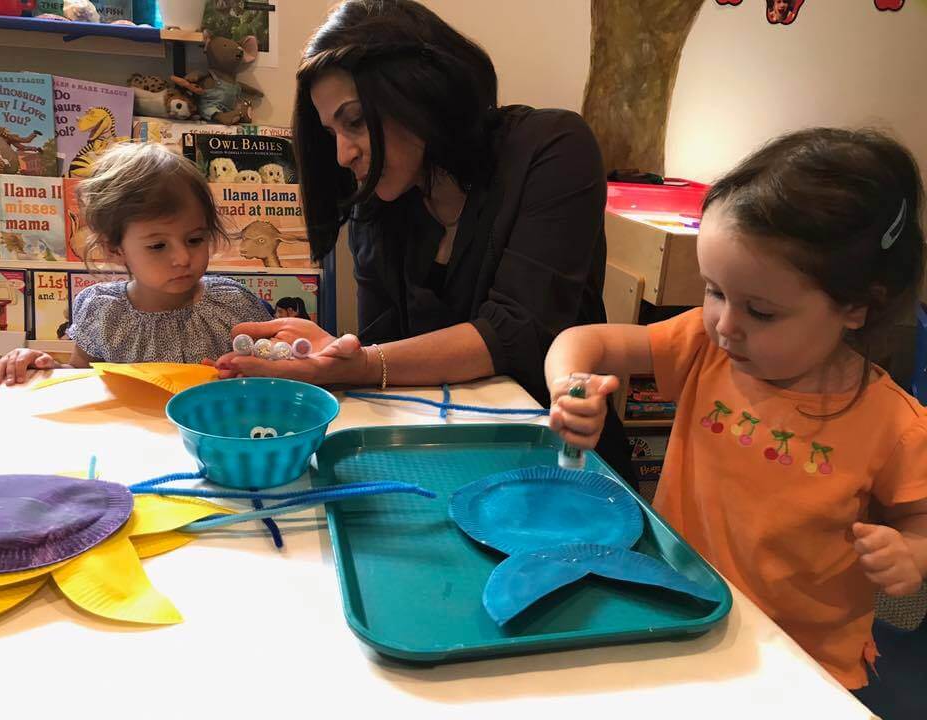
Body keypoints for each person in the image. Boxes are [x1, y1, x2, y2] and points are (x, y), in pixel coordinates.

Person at [544, 127, 927, 692]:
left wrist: (912, 555)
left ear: (854, 309)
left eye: (761, 311)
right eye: (713, 290)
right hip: (683, 607)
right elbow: (584, 340)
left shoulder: (894, 425)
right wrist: (569, 384)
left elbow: (918, 520)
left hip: (803, 664)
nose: (725, 323)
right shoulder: (704, 349)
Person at [215, 0, 633, 479]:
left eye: (354, 122)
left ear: (419, 92)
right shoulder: (381, 201)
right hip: (442, 457)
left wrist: (355, 365)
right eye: (331, 130)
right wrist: (338, 352)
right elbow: (386, 353)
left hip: (563, 461)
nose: (341, 153)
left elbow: (517, 333)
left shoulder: (554, 148)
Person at [0, 142, 271, 386]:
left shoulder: (233, 304)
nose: (183, 258)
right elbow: (84, 380)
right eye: (158, 246)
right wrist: (42, 366)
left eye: (195, 240)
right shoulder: (103, 310)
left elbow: (276, 375)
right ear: (114, 248)